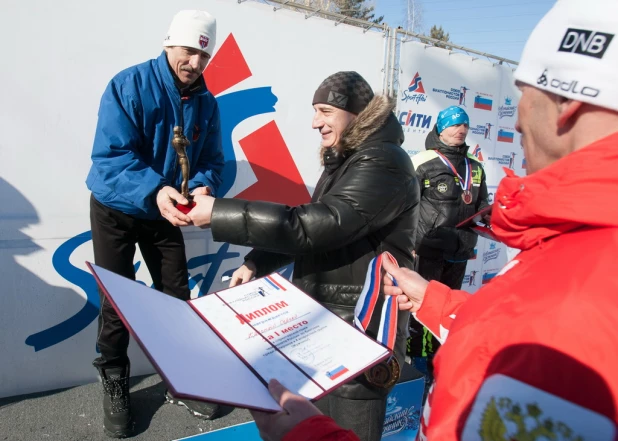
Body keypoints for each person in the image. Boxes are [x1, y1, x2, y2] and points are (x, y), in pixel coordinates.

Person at [246, 0, 618, 439]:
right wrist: (438, 302)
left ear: (566, 105)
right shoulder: (572, 249)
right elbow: (518, 331)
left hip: (365, 322)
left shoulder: (579, 280)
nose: (516, 120)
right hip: (401, 285)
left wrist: (307, 434)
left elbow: (319, 223)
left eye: (524, 94)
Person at [189, 71, 420, 441]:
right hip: (328, 326)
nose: (315, 122)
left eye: (325, 110)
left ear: (357, 113)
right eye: (315, 111)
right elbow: (317, 229)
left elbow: (320, 226)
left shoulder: (383, 162)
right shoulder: (350, 158)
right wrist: (257, 262)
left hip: (359, 335)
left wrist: (218, 212)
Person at [86, 9, 225, 438]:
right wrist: (156, 189)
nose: (195, 65)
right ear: (169, 44)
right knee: (118, 301)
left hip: (167, 211)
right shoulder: (128, 84)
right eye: (188, 52)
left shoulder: (206, 102)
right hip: (117, 207)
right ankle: (114, 378)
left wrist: (201, 186)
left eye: (204, 57)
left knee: (176, 298)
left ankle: (179, 381)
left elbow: (212, 162)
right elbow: (110, 159)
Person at [408, 105, 488, 385]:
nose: (460, 130)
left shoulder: (475, 167)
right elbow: (407, 206)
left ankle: (439, 366)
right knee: (421, 310)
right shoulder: (424, 161)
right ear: (441, 129)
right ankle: (417, 370)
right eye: (454, 125)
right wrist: (412, 242)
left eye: (464, 125)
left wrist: (492, 214)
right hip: (427, 249)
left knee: (447, 311)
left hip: (460, 250)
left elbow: (480, 205)